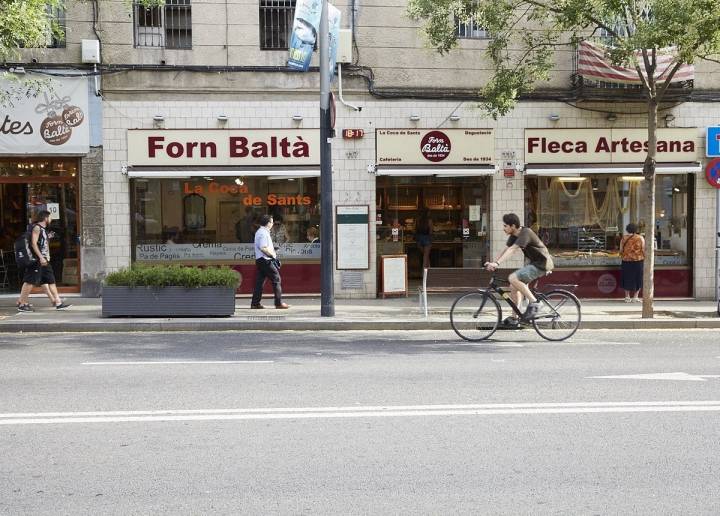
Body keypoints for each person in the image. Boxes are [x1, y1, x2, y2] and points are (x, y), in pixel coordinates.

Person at [484, 213, 554, 325]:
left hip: (542, 263)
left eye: (505, 226)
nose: (503, 228)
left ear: (512, 226)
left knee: (512, 277)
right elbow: (506, 250)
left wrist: (497, 263)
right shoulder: (514, 236)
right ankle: (514, 318)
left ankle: (535, 303)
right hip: (534, 263)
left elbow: (513, 250)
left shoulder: (526, 233)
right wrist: (494, 262)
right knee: (513, 286)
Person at [16, 210, 71, 312]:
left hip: (45, 260)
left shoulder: (44, 230)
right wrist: (41, 257)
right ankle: (22, 304)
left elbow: (42, 243)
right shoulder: (37, 228)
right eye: (50, 217)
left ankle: (58, 302)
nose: (51, 219)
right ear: (45, 218)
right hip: (37, 260)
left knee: (51, 280)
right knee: (29, 281)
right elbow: (33, 243)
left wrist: (48, 237)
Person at [251, 214, 289, 309]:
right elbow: (263, 248)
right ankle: (278, 303)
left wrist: (273, 249)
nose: (272, 224)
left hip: (261, 260)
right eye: (271, 222)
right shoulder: (263, 233)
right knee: (276, 279)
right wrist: (272, 255)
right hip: (265, 260)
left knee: (260, 282)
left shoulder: (261, 232)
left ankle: (255, 303)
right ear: (268, 223)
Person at [619, 223, 645, 303]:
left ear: (627, 229)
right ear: (636, 229)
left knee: (627, 278)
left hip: (626, 261)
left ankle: (627, 297)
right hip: (638, 261)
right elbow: (643, 250)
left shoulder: (623, 238)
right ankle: (635, 297)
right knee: (638, 278)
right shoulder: (640, 238)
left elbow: (620, 250)